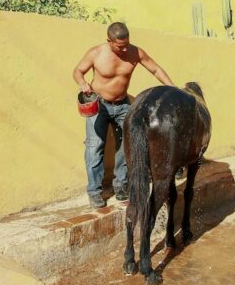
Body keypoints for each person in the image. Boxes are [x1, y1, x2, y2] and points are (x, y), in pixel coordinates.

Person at [73, 22, 175, 209]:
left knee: (127, 144)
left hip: (123, 105)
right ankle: (95, 192)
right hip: (99, 106)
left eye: (127, 43)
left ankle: (121, 185)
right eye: (120, 46)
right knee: (95, 148)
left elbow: (155, 69)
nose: (125, 48)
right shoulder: (96, 53)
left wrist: (172, 88)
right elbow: (78, 71)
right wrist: (82, 83)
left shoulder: (136, 52)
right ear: (109, 41)